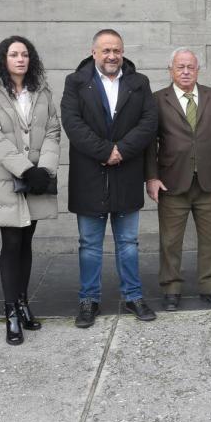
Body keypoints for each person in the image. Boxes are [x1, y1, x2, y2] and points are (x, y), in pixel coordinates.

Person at [62, 28, 159, 326]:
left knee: (128, 242)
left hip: (126, 174)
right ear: (94, 52)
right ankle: (88, 300)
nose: (112, 55)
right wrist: (105, 151)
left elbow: (149, 122)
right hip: (89, 177)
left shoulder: (139, 83)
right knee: (90, 244)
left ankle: (133, 296)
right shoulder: (76, 82)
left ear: (123, 52)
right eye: (106, 50)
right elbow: (72, 123)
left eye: (116, 50)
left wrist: (121, 151)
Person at [0, 36, 61, 345]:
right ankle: (11, 311)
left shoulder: (42, 90)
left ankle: (24, 303)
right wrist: (24, 168)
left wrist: (44, 169)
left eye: (25, 54)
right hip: (7, 177)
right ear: (4, 59)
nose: (20, 59)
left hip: (37, 178)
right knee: (11, 242)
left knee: (27, 242)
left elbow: (53, 129)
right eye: (14, 54)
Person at [144, 48, 211, 311]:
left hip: (208, 181)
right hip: (171, 181)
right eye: (180, 67)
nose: (186, 72)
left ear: (198, 70)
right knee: (170, 241)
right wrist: (151, 177)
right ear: (170, 70)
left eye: (190, 67)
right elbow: (149, 144)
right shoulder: (157, 100)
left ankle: (210, 286)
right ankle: (171, 289)